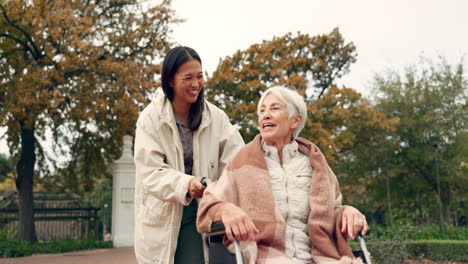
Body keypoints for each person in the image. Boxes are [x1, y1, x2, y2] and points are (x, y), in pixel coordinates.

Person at [197, 86, 369, 264]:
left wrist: (347, 211)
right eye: (262, 110)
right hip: (266, 257)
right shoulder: (243, 162)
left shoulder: (316, 164)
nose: (266, 115)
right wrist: (225, 209)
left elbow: (330, 213)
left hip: (320, 258)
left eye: (274, 108)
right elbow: (207, 205)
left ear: (295, 121)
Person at [134, 46, 245, 264]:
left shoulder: (216, 117)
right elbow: (151, 172)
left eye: (200, 76)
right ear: (170, 81)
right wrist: (187, 184)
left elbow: (238, 161)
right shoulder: (150, 118)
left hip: (202, 211)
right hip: (164, 212)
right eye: (188, 78)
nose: (196, 84)